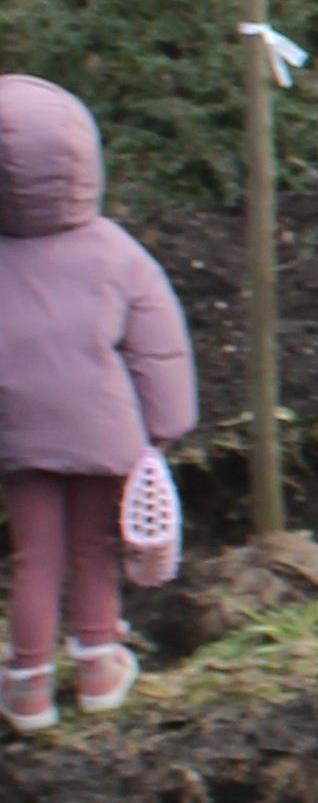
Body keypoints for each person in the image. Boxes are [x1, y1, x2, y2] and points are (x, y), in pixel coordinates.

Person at [0, 76, 196, 734]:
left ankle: (27, 687)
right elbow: (156, 346)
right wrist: (165, 428)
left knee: (34, 557)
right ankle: (98, 667)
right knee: (93, 549)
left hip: (17, 438)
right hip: (104, 431)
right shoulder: (116, 252)